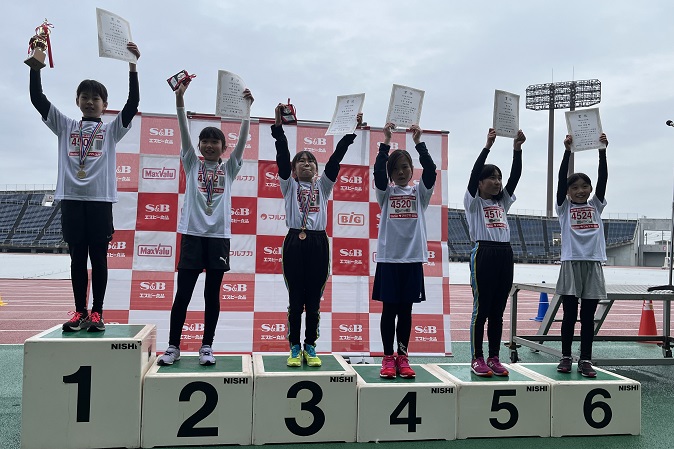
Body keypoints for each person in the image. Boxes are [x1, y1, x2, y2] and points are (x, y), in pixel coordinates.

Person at [29, 42, 142, 333]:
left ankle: (97, 312)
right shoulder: (65, 126)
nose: (90, 102)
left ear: (104, 104)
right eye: (85, 97)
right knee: (77, 258)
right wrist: (35, 69)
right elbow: (37, 99)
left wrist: (132, 66)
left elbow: (132, 105)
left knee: (99, 258)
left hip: (100, 200)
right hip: (71, 199)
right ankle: (80, 311)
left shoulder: (110, 130)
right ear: (77, 100)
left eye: (96, 98)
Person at [157, 82, 254, 366]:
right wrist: (179, 101)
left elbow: (244, 140)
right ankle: (173, 346)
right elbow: (183, 132)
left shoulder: (230, 168)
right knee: (183, 294)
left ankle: (207, 346)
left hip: (218, 238)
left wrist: (247, 111)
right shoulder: (192, 163)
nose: (209, 145)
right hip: (192, 235)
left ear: (224, 148)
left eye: (215, 142)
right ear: (199, 146)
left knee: (212, 295)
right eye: (205, 141)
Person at [271, 103, 362, 367]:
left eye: (311, 160)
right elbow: (281, 155)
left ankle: (310, 346)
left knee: (313, 300)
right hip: (294, 242)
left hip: (318, 242)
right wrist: (278, 130)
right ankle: (294, 347)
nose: (307, 163)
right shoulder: (288, 185)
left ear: (316, 167)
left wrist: (349, 134)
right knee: (295, 299)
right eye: (301, 160)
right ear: (294, 167)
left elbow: (335, 159)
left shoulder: (323, 186)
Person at [373, 122, 436, 379]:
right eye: (396, 168)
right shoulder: (385, 193)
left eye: (405, 167)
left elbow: (431, 170)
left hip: (411, 260)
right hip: (389, 259)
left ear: (411, 170)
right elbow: (378, 171)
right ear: (391, 173)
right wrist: (385, 142)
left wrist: (419, 142)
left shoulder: (419, 193)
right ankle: (388, 357)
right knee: (389, 311)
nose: (401, 172)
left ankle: (403, 355)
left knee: (406, 311)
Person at [464, 127, 525, 376]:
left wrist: (517, 149)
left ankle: (494, 357)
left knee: (498, 310)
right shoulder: (474, 202)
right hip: (483, 253)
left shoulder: (502, 202)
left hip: (504, 254)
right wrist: (487, 145)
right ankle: (477, 357)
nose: (498, 181)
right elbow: (472, 174)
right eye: (492, 177)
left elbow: (516, 176)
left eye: (499, 177)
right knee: (482, 309)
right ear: (480, 182)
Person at [555, 133, 609, 378]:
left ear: (590, 189)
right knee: (569, 314)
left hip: (593, 264)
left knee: (588, 317)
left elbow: (604, 178)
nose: (580, 191)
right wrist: (567, 151)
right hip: (571, 262)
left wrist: (602, 150)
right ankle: (566, 356)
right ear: (567, 192)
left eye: (584, 186)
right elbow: (559, 181)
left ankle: (585, 359)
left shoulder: (595, 205)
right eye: (574, 187)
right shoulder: (564, 208)